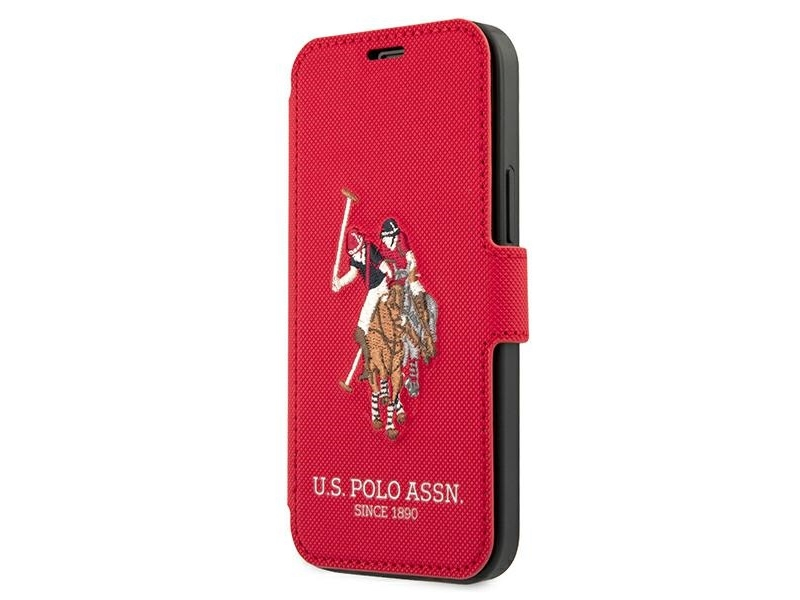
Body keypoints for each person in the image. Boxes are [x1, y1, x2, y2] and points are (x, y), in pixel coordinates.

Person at [332, 229, 394, 378]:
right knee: (362, 327)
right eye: (353, 254)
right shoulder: (355, 259)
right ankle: (368, 364)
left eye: (357, 252)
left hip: (383, 284)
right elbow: (352, 274)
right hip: (373, 290)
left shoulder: (369, 249)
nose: (356, 256)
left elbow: (383, 265)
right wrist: (340, 283)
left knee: (386, 318)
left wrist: (390, 275)